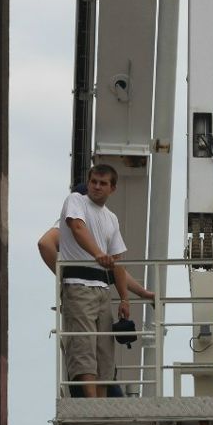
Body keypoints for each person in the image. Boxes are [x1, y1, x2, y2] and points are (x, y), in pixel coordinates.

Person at [58, 164, 130, 398]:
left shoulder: (112, 218)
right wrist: (98, 253)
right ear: (88, 182)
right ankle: (90, 403)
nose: (97, 186)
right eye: (94, 181)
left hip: (102, 289)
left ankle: (100, 403)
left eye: (103, 183)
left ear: (113, 188)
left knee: (104, 351)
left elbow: (118, 261)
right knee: (84, 345)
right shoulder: (76, 201)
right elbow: (77, 227)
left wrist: (125, 298)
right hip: (78, 283)